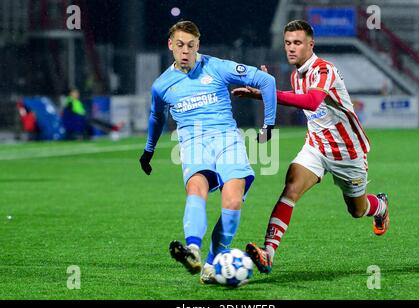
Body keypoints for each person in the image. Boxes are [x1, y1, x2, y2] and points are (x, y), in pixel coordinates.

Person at [232, 19, 390, 274]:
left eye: (297, 43)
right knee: (291, 186)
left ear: (310, 44)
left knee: (357, 210)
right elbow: (302, 99)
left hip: (347, 152)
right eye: (287, 43)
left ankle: (380, 206)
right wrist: (269, 89)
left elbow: (312, 101)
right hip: (316, 146)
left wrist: (267, 93)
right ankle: (268, 253)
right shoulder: (297, 75)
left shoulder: (325, 70)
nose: (291, 48)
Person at [139, 21, 277, 283]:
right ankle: (192, 250)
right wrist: (149, 150)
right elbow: (157, 117)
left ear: (198, 45)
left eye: (191, 45)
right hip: (193, 144)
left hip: (227, 141)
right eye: (180, 45)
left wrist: (269, 124)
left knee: (233, 202)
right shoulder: (162, 85)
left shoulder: (217, 67)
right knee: (196, 189)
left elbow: (266, 80)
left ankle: (212, 264)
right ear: (171, 45)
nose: (185, 51)